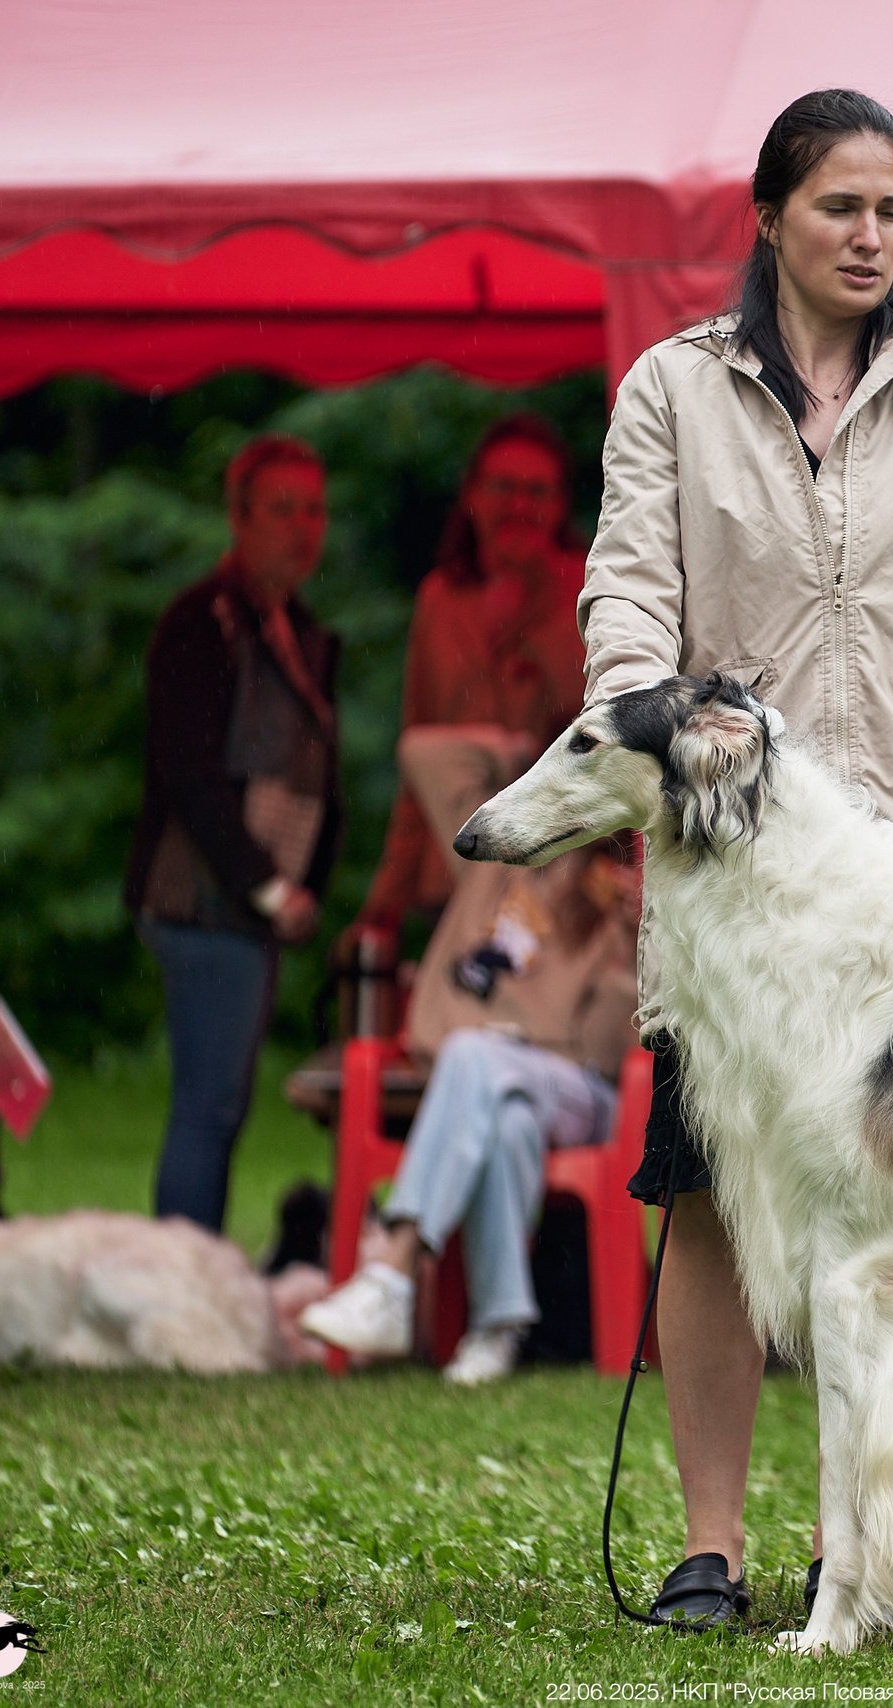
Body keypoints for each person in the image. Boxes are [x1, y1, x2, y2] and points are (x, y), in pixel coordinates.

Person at [581, 89, 893, 1626]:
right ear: (769, 217)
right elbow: (625, 596)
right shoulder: (670, 389)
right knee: (717, 1200)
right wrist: (654, 734)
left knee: (886, 1215)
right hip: (738, 867)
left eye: (892, 212)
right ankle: (712, 1547)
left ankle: (852, 1545)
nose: (870, 237)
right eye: (840, 209)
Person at [299, 832, 639, 1385]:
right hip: (498, 1082)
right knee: (508, 1124)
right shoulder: (497, 868)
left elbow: (615, 1052)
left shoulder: (622, 888)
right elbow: (430, 756)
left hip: (588, 1091)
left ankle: (393, 1272)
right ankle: (497, 1329)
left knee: (475, 1055)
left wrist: (631, 941)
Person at [125, 434, 341, 1232]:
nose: (302, 526)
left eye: (314, 509)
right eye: (282, 508)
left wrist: (304, 888)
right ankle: (184, 1283)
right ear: (239, 518)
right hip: (201, 904)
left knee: (221, 1104)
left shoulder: (295, 623)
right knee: (208, 1108)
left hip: (245, 909)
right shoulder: (200, 621)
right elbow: (189, 773)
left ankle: (194, 1271)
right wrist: (270, 884)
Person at [341, 415, 588, 962]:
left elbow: (600, 727)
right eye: (503, 487)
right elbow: (418, 758)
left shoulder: (592, 589)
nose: (519, 506)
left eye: (537, 491)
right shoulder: (440, 600)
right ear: (472, 494)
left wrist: (533, 607)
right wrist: (383, 904)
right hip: (453, 873)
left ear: (560, 504)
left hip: (556, 875)